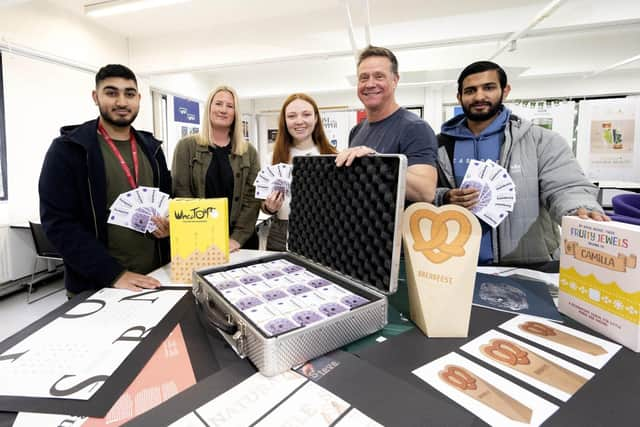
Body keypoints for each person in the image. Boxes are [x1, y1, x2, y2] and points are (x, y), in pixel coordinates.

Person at [434, 60, 609, 266]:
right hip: (456, 264)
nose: (479, 96)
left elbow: (566, 186)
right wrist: (444, 197)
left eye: (488, 88)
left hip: (527, 265)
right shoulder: (439, 145)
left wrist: (580, 209)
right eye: (471, 90)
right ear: (459, 97)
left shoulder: (541, 140)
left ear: (505, 91)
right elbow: (423, 195)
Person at [39, 64, 171, 296]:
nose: (121, 102)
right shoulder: (68, 150)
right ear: (95, 96)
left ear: (138, 98)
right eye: (111, 93)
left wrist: (170, 224)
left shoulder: (153, 149)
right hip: (96, 284)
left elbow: (169, 201)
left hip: (154, 278)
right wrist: (113, 274)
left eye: (129, 94)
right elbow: (59, 224)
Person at [335, 45, 438, 203]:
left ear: (395, 80)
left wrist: (377, 163)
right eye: (364, 78)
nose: (370, 84)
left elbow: (425, 192)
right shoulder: (356, 130)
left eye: (379, 76)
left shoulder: (415, 128)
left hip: (395, 227)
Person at [172, 85, 261, 252]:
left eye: (230, 106)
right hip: (199, 242)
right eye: (218, 104)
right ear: (209, 108)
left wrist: (235, 239)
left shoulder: (249, 152)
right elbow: (181, 192)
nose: (223, 110)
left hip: (241, 244)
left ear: (236, 113)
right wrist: (205, 235)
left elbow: (252, 199)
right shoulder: (186, 146)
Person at [261, 93, 338, 250]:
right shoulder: (272, 158)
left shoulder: (334, 156)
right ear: (285, 121)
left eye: (306, 114)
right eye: (292, 116)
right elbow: (263, 205)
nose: (299, 121)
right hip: (280, 234)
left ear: (316, 118)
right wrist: (270, 207)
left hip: (323, 233)